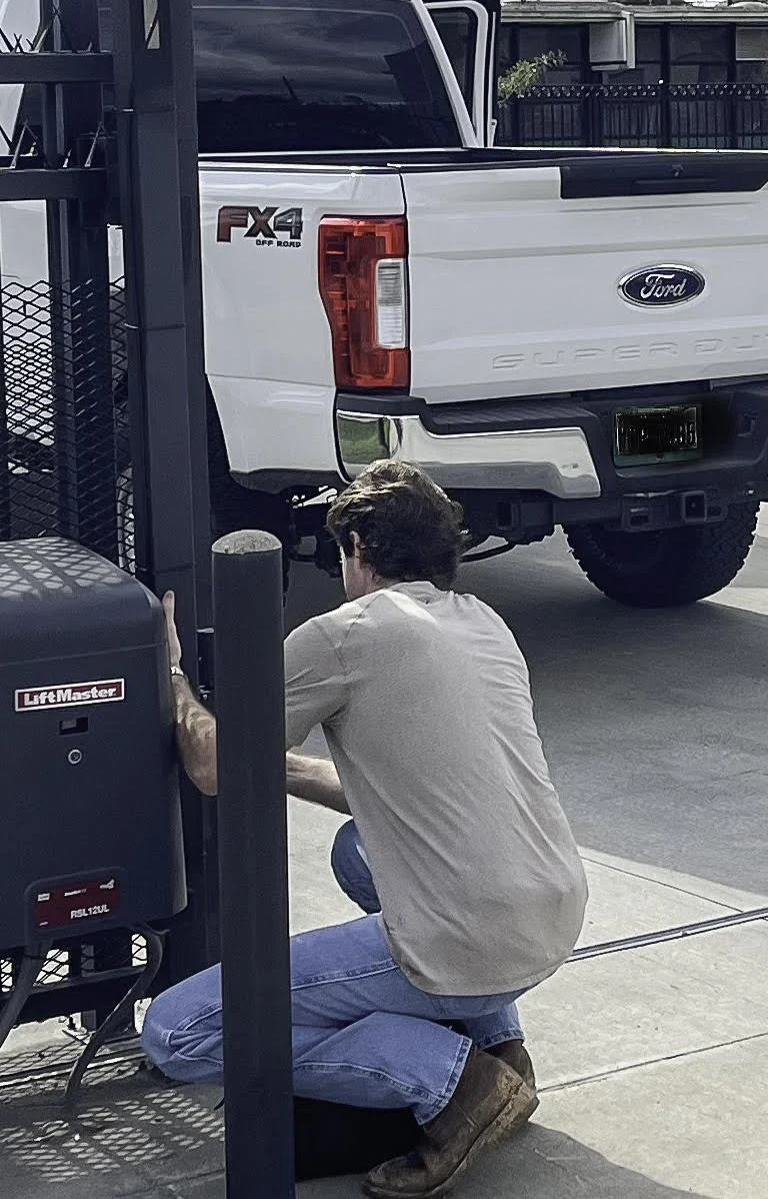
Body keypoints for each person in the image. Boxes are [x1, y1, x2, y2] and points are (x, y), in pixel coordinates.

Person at [142, 460, 589, 1199]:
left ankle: (458, 1084)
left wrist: (174, 681)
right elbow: (398, 793)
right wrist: (274, 765)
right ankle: (503, 1046)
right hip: (551, 912)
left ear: (357, 549)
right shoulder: (483, 622)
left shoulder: (346, 634)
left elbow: (215, 767)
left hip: (464, 939)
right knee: (359, 851)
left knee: (178, 1031)